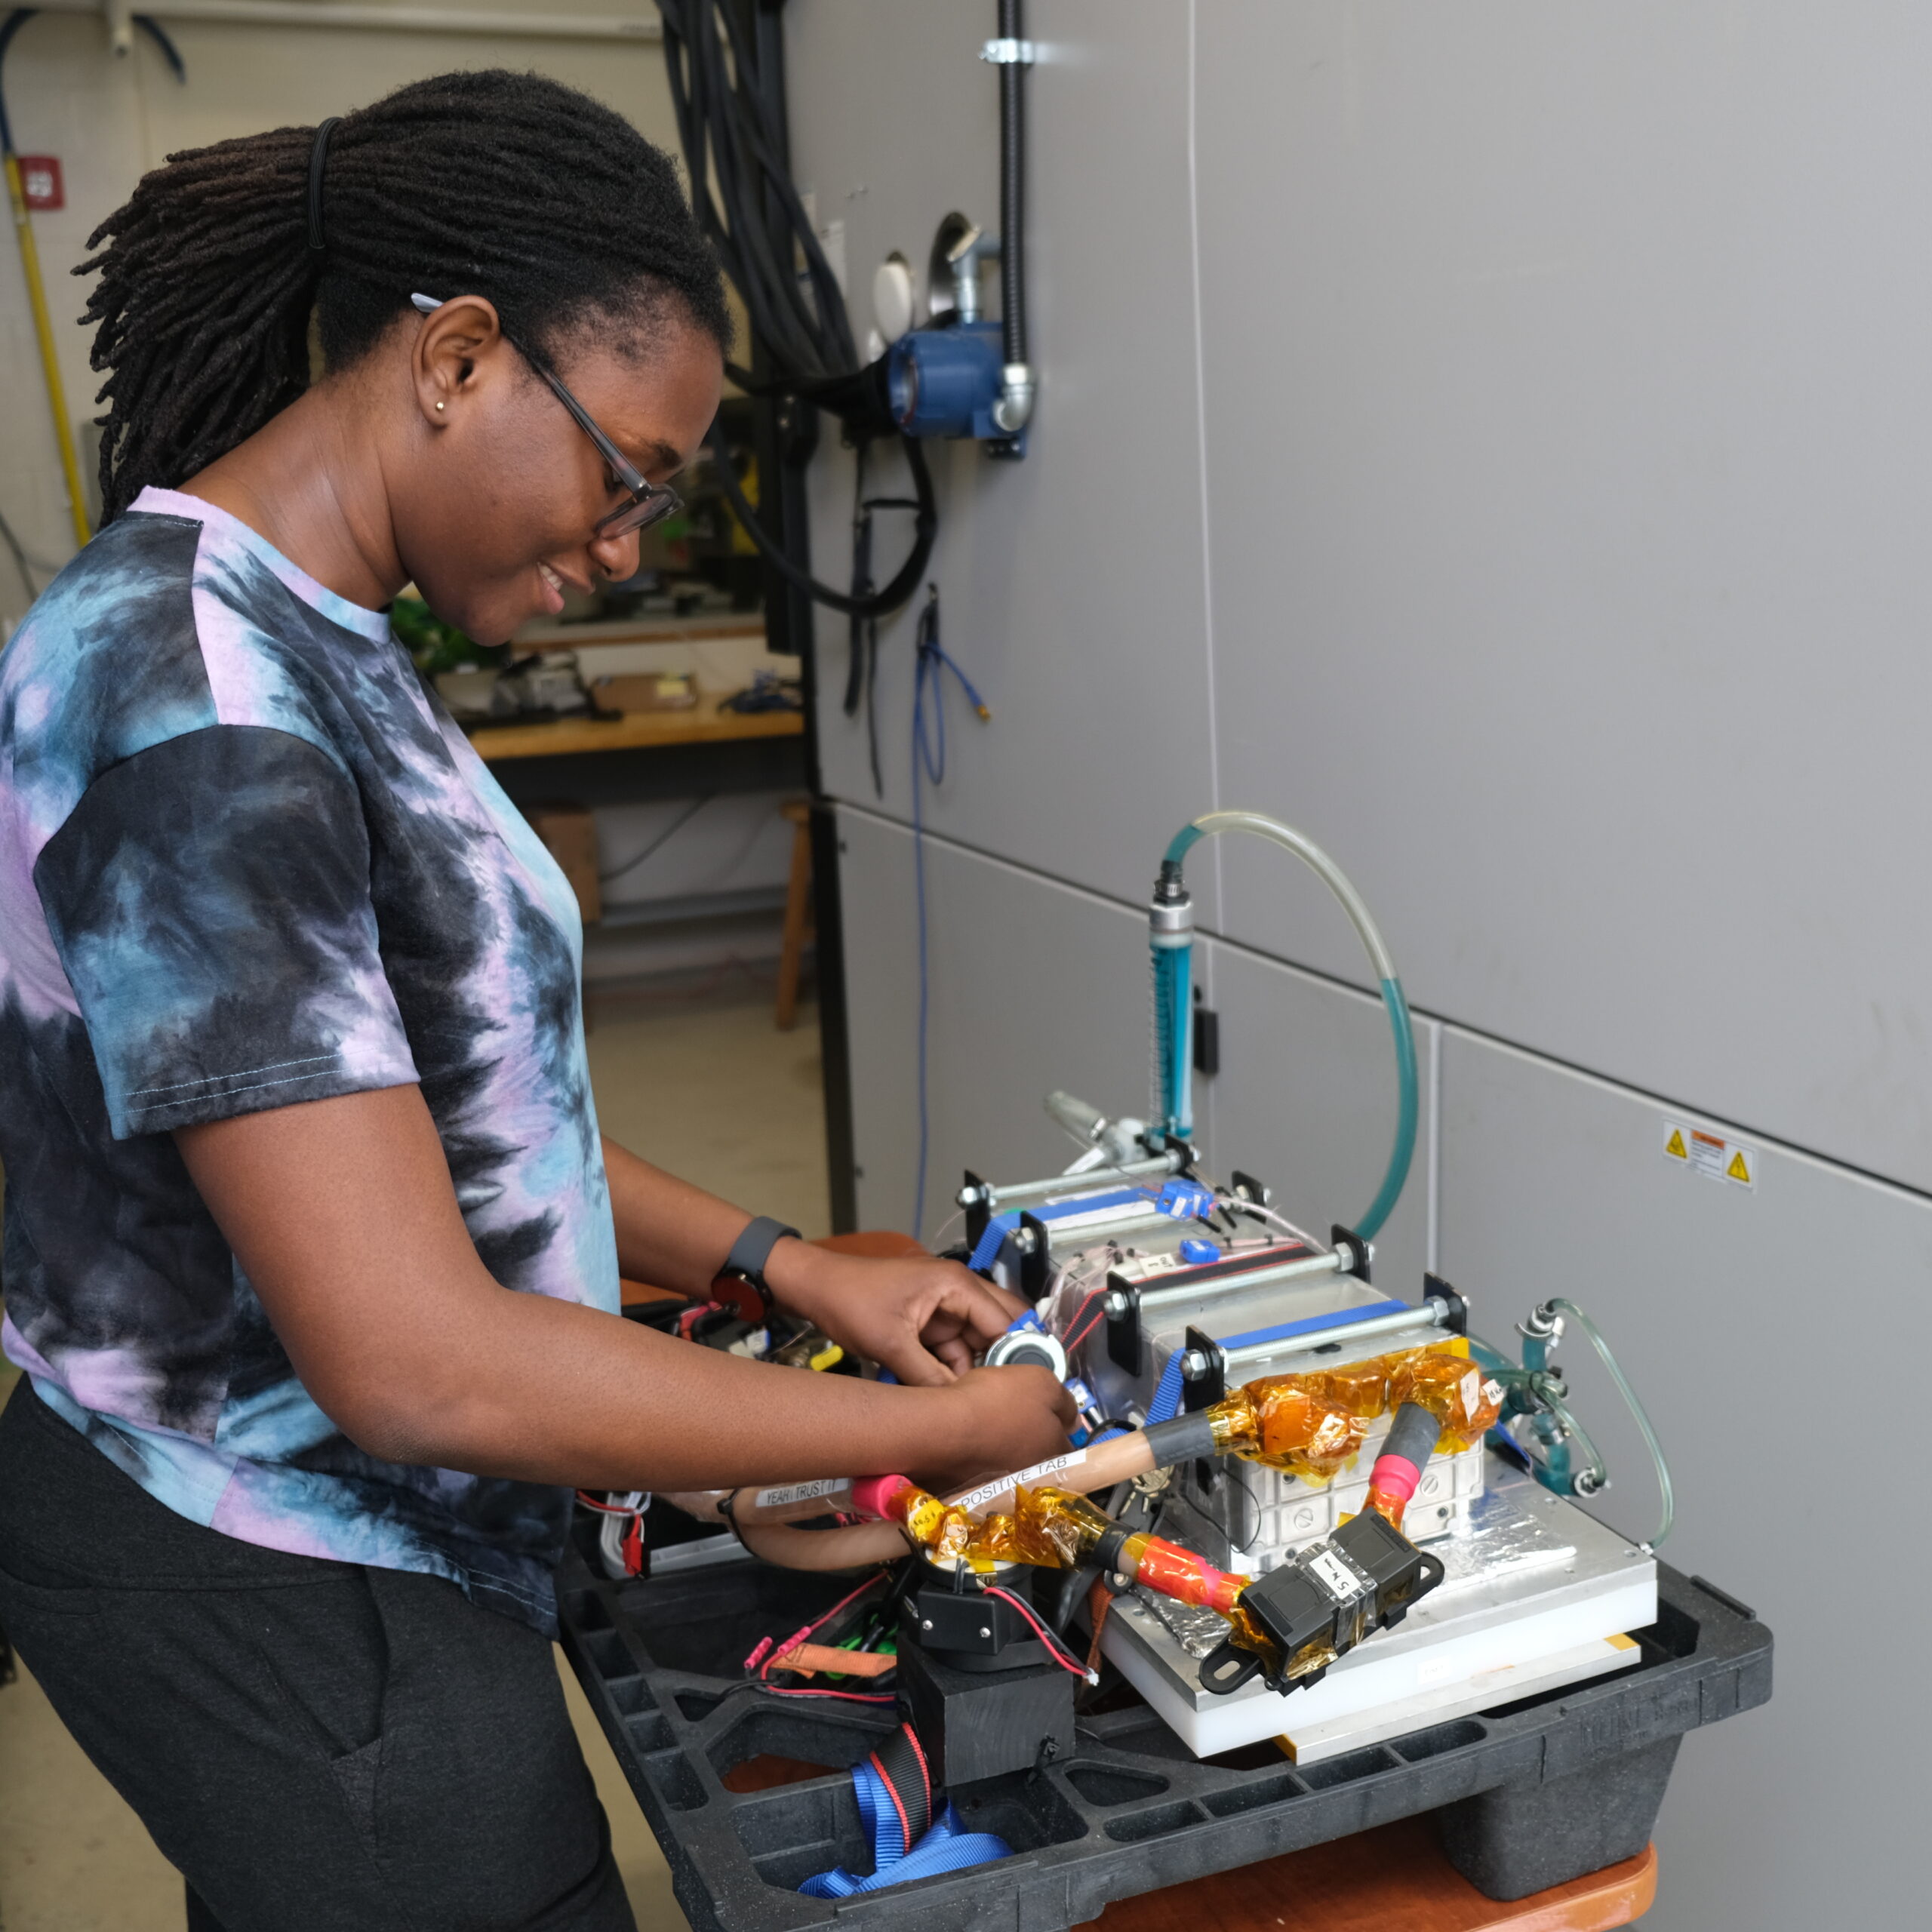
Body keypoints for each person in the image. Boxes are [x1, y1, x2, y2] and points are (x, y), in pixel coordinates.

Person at [0, 71, 1072, 1932]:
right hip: (279, 1564)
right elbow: (410, 1351)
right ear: (460, 358)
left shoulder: (301, 629)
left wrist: (778, 1263)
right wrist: (943, 1438)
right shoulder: (204, 710)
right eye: (627, 472)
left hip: (362, 1521)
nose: (630, 543)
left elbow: (437, 1096)